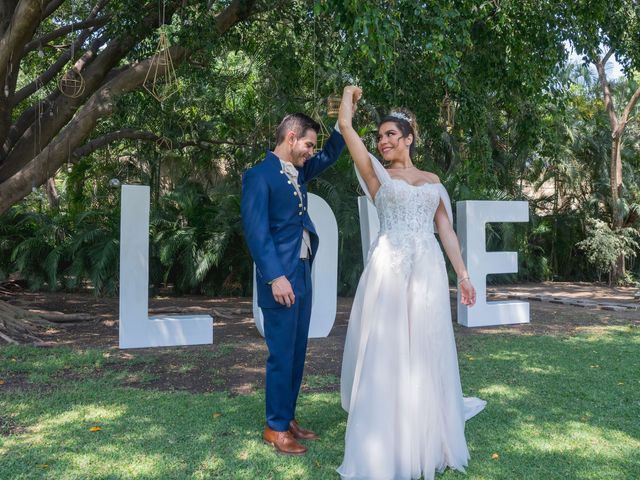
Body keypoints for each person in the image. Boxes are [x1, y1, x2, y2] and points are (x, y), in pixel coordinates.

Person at [336, 85, 486, 479]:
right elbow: (346, 129)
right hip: (388, 268)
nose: (382, 141)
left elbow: (446, 231)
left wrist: (464, 275)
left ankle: (427, 433)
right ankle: (386, 435)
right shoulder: (376, 174)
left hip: (428, 269)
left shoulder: (432, 178)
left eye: (390, 135)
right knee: (387, 349)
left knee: (425, 347)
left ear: (409, 138)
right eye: (380, 136)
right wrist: (348, 101)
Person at [241, 108, 346, 455]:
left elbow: (331, 154)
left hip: (302, 272)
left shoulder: (298, 171)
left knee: (298, 352)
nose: (311, 153)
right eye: (308, 145)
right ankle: (274, 428)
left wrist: (344, 115)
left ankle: (287, 419)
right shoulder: (259, 176)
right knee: (282, 355)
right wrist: (274, 277)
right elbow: (256, 234)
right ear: (291, 138)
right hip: (280, 278)